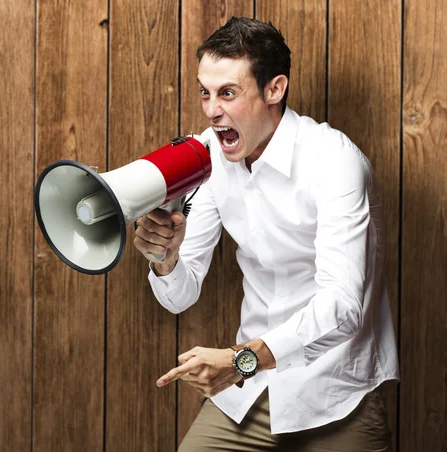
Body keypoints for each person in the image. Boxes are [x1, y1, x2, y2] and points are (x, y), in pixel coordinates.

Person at [133, 17, 399, 451]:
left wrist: (241, 360)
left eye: (228, 93)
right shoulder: (210, 156)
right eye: (205, 91)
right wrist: (166, 258)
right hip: (252, 388)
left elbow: (343, 306)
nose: (211, 110)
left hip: (337, 392)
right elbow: (179, 295)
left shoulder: (335, 161)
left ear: (274, 90)